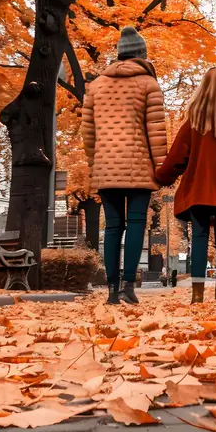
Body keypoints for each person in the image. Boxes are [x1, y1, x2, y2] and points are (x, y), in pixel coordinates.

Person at [81, 26, 167, 305]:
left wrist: (96, 165)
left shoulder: (95, 87)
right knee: (136, 225)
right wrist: (162, 166)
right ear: (141, 55)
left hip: (106, 168)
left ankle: (110, 290)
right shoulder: (148, 84)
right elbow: (156, 130)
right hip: (140, 168)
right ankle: (128, 286)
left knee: (113, 227)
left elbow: (88, 133)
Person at [155, 67, 216, 304]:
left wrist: (162, 177)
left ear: (203, 89)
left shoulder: (194, 123)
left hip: (199, 191)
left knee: (198, 237)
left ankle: (197, 294)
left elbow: (177, 157)